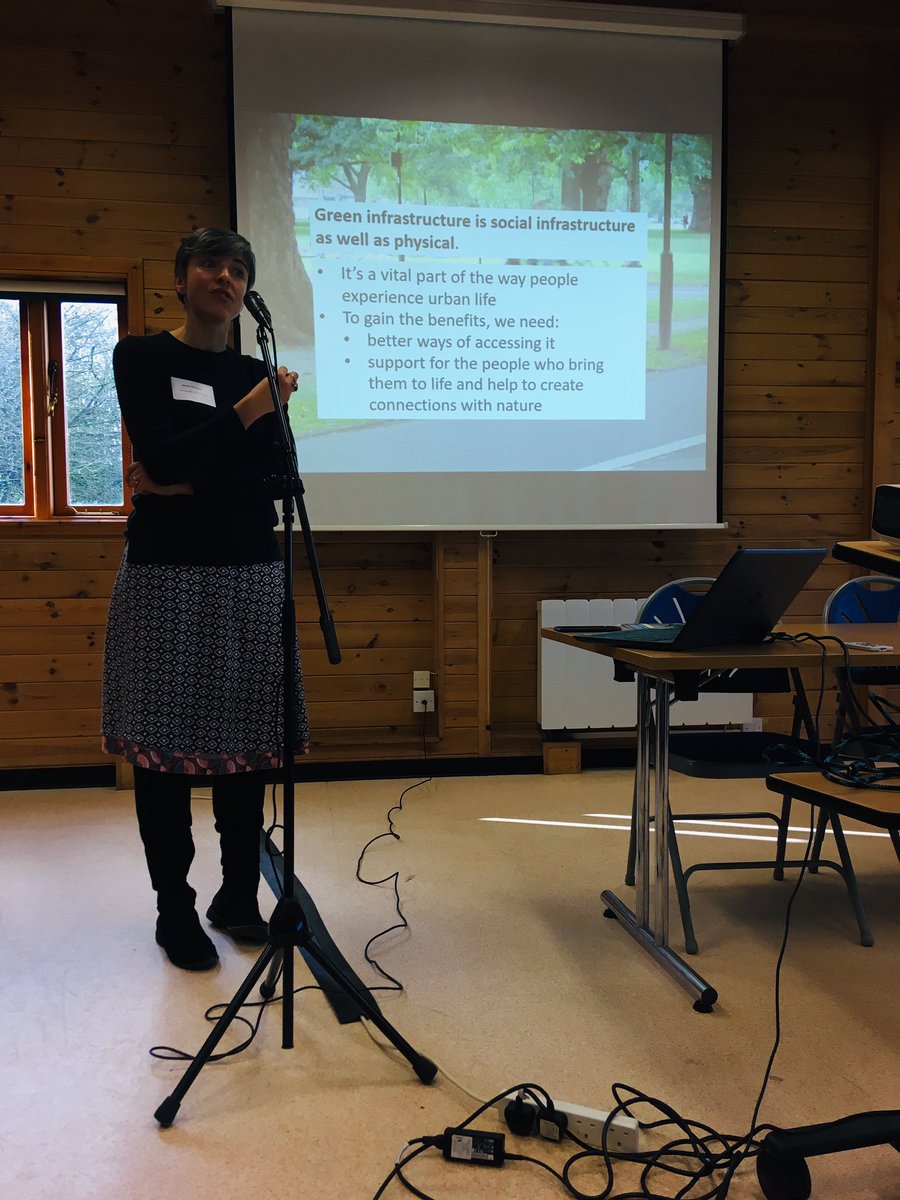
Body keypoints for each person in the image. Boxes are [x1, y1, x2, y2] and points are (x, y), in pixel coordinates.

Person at [102, 227, 310, 971]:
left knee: (246, 750)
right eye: (211, 264)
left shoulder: (255, 371)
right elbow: (156, 452)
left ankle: (235, 894)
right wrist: (242, 421)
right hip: (165, 574)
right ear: (183, 277)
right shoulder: (143, 356)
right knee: (164, 758)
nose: (226, 276)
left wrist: (182, 477)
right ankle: (175, 910)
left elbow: (276, 481)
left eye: (239, 268)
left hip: (250, 571)